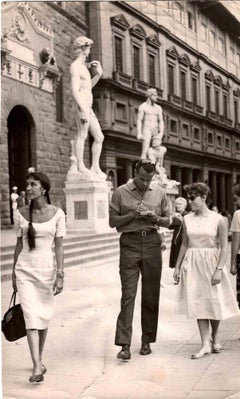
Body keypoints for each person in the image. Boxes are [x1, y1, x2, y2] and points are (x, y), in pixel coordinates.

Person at [109, 159, 170, 360]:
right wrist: (133, 214)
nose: (145, 183)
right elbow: (112, 222)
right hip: (129, 244)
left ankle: (146, 341)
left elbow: (168, 221)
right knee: (128, 295)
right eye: (142, 178)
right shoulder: (120, 192)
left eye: (149, 179)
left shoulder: (160, 192)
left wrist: (155, 218)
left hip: (152, 242)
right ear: (135, 172)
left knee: (150, 295)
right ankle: (124, 344)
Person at [173, 183, 239, 359]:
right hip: (193, 262)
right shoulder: (187, 219)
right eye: (188, 198)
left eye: (192, 197)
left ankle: (215, 336)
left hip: (212, 262)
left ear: (203, 198)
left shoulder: (219, 219)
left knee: (214, 300)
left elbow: (224, 247)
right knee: (198, 302)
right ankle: (204, 344)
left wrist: (218, 269)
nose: (189, 201)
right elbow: (185, 244)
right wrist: (178, 267)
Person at [12, 169, 66, 383]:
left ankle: (39, 359)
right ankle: (36, 366)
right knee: (30, 317)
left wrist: (60, 274)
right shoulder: (20, 213)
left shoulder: (58, 214)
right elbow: (18, 245)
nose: (29, 187)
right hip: (25, 268)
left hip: (46, 269)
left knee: (43, 316)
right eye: (28, 184)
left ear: (44, 188)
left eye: (33, 184)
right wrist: (14, 274)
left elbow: (59, 247)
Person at [70, 36, 105, 178]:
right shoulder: (75, 66)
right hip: (81, 106)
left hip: (88, 107)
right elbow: (75, 90)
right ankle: (80, 165)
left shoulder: (84, 67)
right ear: (83, 48)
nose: (90, 51)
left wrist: (98, 74)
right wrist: (83, 109)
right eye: (88, 47)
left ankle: (95, 166)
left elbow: (88, 87)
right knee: (82, 134)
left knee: (99, 137)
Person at [137, 88, 164, 160]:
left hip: (155, 129)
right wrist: (139, 133)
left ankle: (158, 167)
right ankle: (143, 167)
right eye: (155, 95)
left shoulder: (158, 108)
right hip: (147, 128)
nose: (157, 97)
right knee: (145, 150)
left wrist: (161, 132)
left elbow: (161, 121)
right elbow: (139, 120)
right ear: (150, 96)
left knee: (158, 150)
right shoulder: (143, 106)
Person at [168, 197, 188, 278]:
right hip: (176, 237)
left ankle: (183, 275)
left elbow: (189, 225)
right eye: (177, 204)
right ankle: (177, 275)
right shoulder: (175, 214)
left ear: (184, 205)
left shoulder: (187, 214)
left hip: (183, 237)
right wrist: (171, 219)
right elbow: (170, 227)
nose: (178, 206)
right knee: (176, 256)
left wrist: (181, 218)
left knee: (183, 256)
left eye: (180, 204)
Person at [230, 184, 240, 308]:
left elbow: (236, 241)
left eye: (236, 199)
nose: (236, 203)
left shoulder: (238, 214)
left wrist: (232, 263)